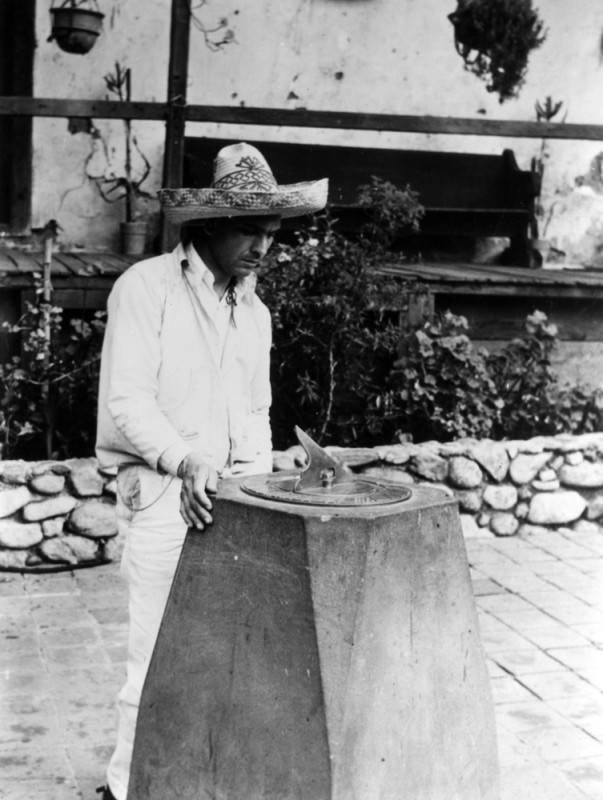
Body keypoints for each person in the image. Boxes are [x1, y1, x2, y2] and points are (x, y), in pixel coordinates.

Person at [95, 141, 328, 800]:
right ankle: (125, 790)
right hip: (168, 497)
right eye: (250, 230)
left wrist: (266, 463)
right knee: (156, 661)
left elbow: (252, 410)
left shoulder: (255, 313)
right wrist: (187, 459)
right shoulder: (146, 289)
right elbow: (127, 401)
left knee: (233, 658)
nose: (263, 247)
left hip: (239, 505)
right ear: (211, 225)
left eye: (272, 233)